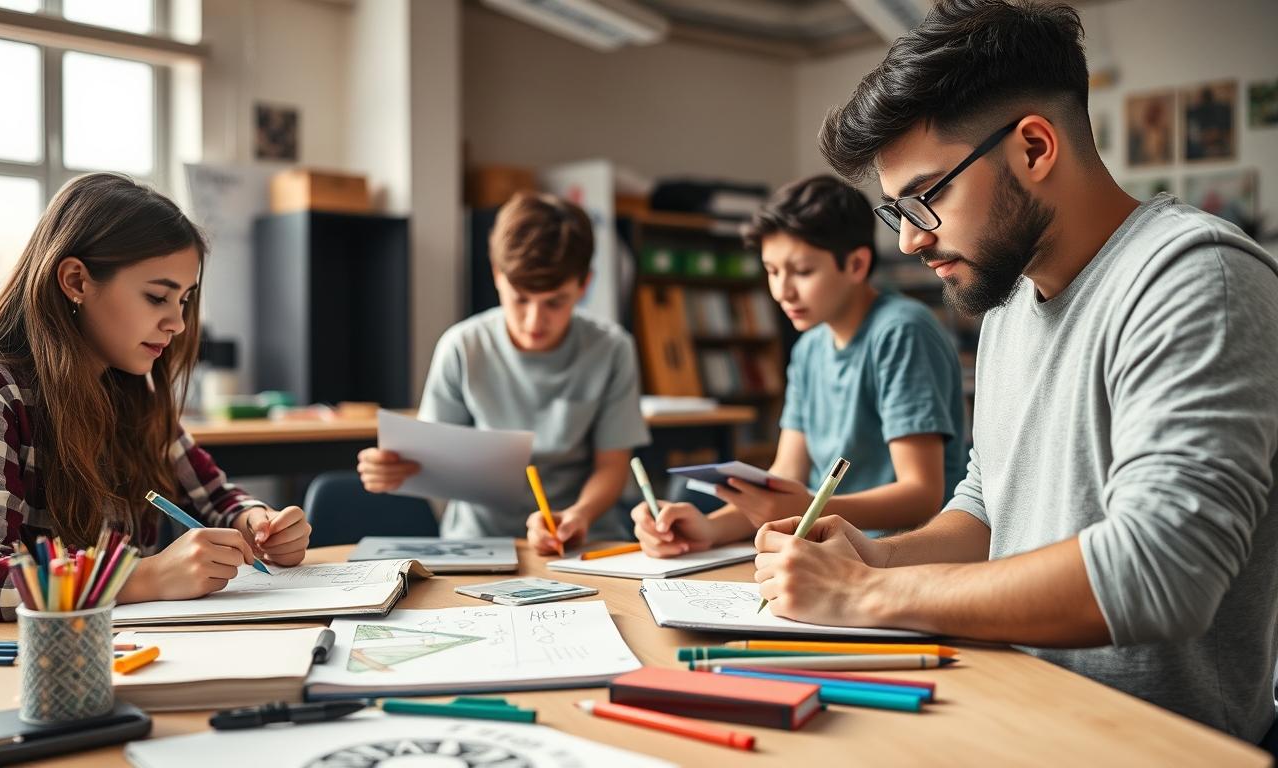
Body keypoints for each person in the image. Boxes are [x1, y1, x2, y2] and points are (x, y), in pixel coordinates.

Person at [754, 0, 1278, 743]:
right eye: (895, 209)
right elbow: (990, 504)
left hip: (1153, 746)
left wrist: (871, 591)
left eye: (928, 197)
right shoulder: (1006, 300)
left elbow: (1159, 573)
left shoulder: (1196, 278)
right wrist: (873, 552)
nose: (908, 239)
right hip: (1014, 708)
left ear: (1034, 147)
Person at [0, 173, 312, 631]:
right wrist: (146, 576)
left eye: (185, 299)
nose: (176, 322)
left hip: (126, 655)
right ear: (76, 280)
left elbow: (216, 497)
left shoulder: (132, 392)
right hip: (17, 675)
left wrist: (260, 523)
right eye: (157, 296)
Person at [632, 175, 966, 557]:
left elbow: (922, 494)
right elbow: (786, 475)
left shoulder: (901, 331)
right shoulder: (809, 347)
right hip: (830, 553)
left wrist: (806, 506)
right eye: (772, 271)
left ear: (856, 264)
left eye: (802, 272)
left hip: (904, 558)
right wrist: (708, 528)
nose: (782, 291)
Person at [357, 192, 649, 554]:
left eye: (555, 302)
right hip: (477, 543)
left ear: (584, 285)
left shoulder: (612, 349)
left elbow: (613, 464)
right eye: (520, 299)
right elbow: (429, 459)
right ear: (498, 276)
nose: (534, 321)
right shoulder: (463, 346)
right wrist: (392, 469)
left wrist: (579, 515)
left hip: (582, 538)